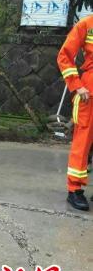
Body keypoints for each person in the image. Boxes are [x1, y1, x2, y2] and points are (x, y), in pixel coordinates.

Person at [56, 14, 93, 211]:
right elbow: (64, 56)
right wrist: (77, 86)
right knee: (83, 141)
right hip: (89, 94)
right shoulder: (87, 24)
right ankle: (75, 190)